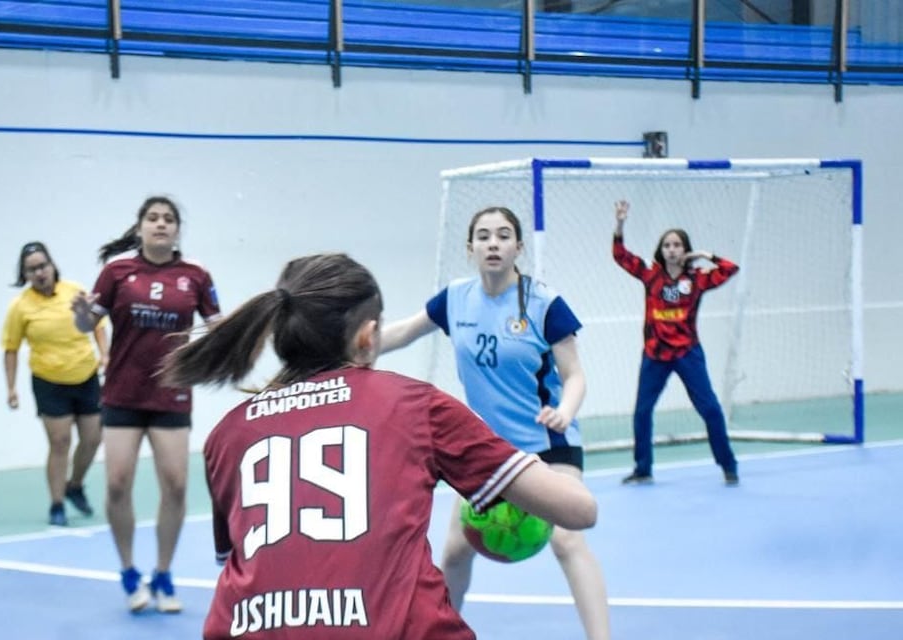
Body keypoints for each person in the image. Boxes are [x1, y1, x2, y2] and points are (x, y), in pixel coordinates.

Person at [159, 252, 599, 640]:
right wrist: (525, 465)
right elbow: (579, 511)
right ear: (369, 336)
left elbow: (247, 561)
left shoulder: (228, 433)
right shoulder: (414, 404)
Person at [379, 206, 611, 640]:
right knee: (453, 552)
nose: (493, 243)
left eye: (504, 236)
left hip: (547, 443)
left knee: (566, 539)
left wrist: (567, 410)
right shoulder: (455, 299)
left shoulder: (544, 303)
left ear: (518, 247)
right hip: (486, 449)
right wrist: (353, 348)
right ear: (470, 248)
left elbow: (574, 374)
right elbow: (402, 333)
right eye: (483, 236)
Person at [71, 196, 222, 614]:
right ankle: (128, 572)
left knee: (175, 486)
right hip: (122, 393)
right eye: (152, 218)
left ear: (177, 230)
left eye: (168, 219)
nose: (160, 224)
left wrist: (231, 331)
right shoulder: (117, 271)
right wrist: (81, 315)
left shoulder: (196, 275)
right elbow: (87, 324)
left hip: (171, 395)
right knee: (118, 484)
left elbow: (216, 327)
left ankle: (163, 572)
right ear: (139, 227)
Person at [612, 199, 740, 486]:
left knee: (709, 409)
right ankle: (642, 468)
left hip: (687, 354)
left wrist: (706, 255)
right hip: (654, 354)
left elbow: (731, 268)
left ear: (685, 250)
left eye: (677, 245)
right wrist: (620, 224)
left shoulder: (697, 279)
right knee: (642, 411)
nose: (672, 249)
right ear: (661, 250)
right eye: (667, 245)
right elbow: (620, 255)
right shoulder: (650, 275)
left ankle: (728, 465)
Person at [2, 241, 108, 527]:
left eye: (42, 266)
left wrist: (105, 355)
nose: (39, 273)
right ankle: (57, 503)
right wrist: (11, 388)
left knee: (93, 438)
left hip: (85, 376)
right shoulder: (20, 307)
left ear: (52, 265)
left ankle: (75, 485)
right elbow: (10, 348)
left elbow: (97, 325)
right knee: (60, 442)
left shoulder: (74, 291)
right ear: (25, 274)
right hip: (49, 382)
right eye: (32, 269)